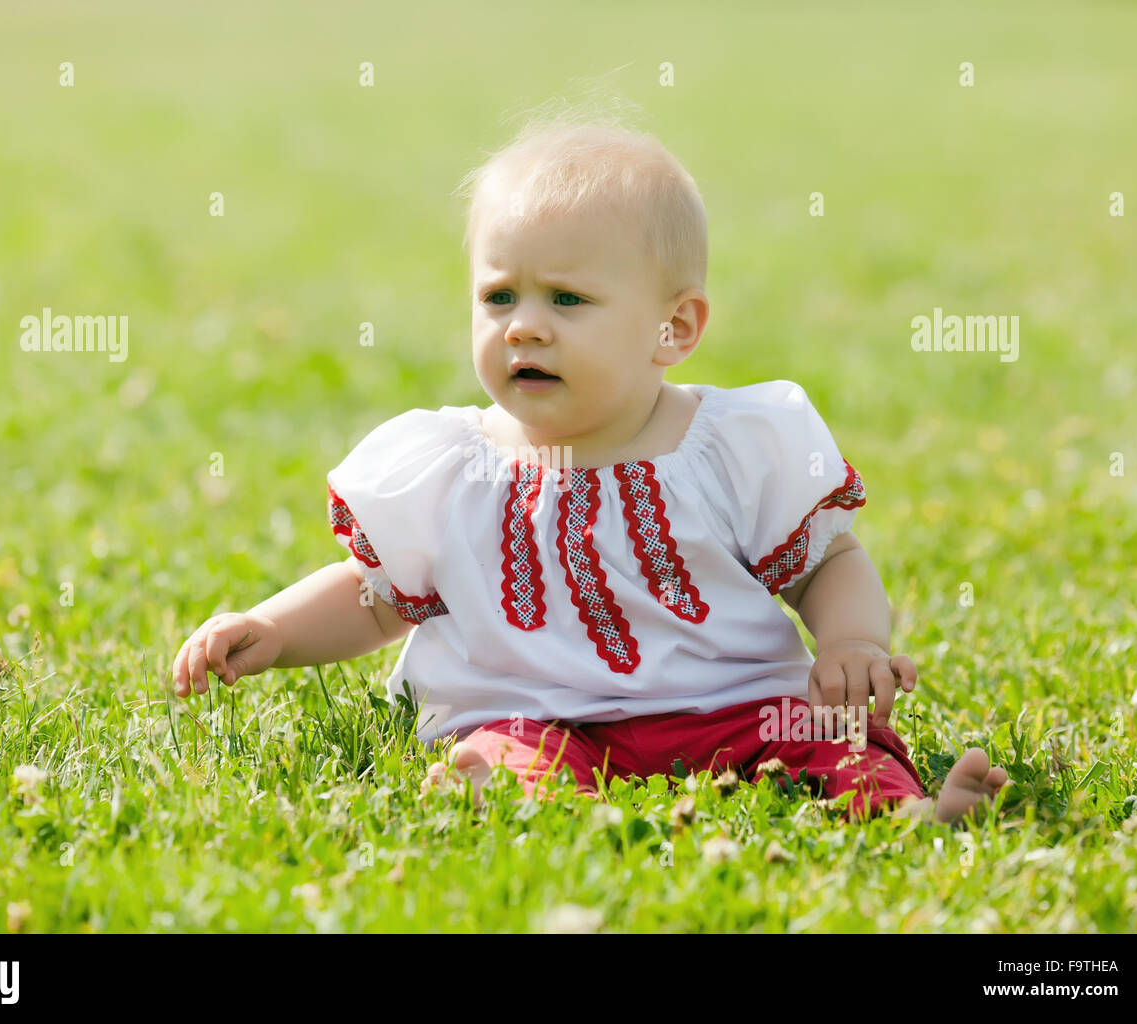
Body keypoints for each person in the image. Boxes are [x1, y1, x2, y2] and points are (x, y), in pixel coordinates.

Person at [171, 112, 1008, 823]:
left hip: (737, 708)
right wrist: (274, 629)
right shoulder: (454, 468)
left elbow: (825, 561)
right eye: (499, 297)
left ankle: (908, 812)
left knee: (826, 735)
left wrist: (852, 641)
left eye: (566, 299)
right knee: (499, 761)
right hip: (538, 719)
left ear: (674, 329)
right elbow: (374, 597)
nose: (524, 327)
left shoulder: (728, 446)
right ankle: (503, 794)